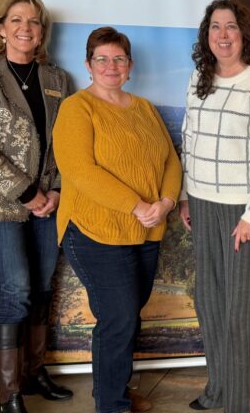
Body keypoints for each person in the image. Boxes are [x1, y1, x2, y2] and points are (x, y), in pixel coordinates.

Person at [52, 27, 182, 413]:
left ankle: (114, 391)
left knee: (126, 315)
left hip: (146, 230)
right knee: (119, 317)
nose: (111, 66)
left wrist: (167, 200)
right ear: (88, 65)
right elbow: (79, 170)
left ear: (130, 66)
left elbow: (170, 159)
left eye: (119, 59)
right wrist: (136, 205)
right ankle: (111, 404)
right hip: (95, 231)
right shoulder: (77, 108)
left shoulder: (143, 108)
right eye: (102, 59)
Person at [0, 0, 74, 413]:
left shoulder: (56, 79)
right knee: (15, 292)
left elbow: (66, 142)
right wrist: (29, 193)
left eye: (35, 22)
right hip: (0, 205)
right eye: (17, 20)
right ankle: (8, 397)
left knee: (42, 289)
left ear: (43, 32)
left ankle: (33, 372)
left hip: (48, 204)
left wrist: (56, 190)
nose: (27, 28)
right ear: (1, 28)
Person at [180, 0, 250, 413]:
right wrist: (187, 196)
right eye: (215, 28)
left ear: (245, 34)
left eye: (230, 27)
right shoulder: (198, 78)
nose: (223, 35)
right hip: (203, 205)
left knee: (239, 310)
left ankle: (243, 404)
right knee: (208, 302)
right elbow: (189, 141)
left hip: (241, 211)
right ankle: (219, 389)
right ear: (206, 36)